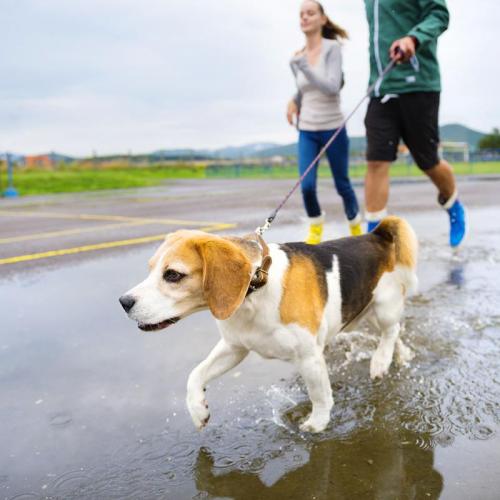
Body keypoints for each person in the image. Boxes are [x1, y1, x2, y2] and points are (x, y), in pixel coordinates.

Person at [363, 0, 466, 247]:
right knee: (376, 160)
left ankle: (453, 205)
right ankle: (372, 242)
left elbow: (439, 14)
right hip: (381, 87)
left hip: (419, 85)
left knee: (427, 161)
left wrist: (413, 38)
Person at [287, 0, 362, 245]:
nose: (305, 18)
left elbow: (331, 87)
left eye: (310, 13)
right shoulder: (297, 58)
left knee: (342, 184)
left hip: (333, 127)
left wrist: (305, 67)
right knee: (307, 186)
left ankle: (356, 230)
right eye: (301, 14)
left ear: (322, 19)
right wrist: (293, 100)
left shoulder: (332, 49)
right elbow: (304, 89)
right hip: (307, 128)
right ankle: (316, 228)